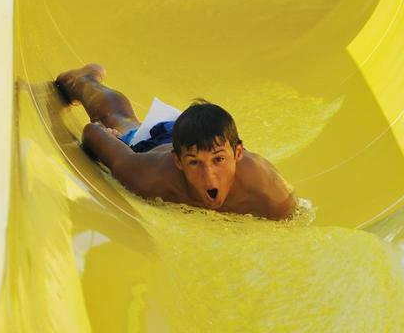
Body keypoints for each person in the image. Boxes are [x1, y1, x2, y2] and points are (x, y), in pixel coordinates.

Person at [55, 64, 297, 220]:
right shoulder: (152, 176)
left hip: (198, 138)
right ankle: (85, 80)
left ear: (239, 153)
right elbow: (92, 135)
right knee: (120, 121)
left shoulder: (270, 194)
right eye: (194, 163)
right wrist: (102, 132)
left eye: (219, 160)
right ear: (178, 162)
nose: (209, 176)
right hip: (157, 141)